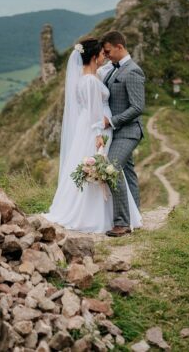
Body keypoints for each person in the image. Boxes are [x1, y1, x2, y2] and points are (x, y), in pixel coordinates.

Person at [44, 38, 142, 233]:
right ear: (94, 56)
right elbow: (93, 111)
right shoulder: (89, 80)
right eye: (101, 54)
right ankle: (104, 217)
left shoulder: (90, 76)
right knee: (107, 168)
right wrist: (98, 135)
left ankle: (125, 216)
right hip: (97, 128)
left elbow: (108, 73)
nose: (104, 56)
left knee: (118, 169)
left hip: (95, 126)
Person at [99, 31, 146, 237]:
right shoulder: (112, 70)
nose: (106, 55)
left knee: (111, 167)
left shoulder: (133, 71)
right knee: (128, 173)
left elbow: (137, 107)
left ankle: (122, 223)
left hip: (128, 131)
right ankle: (135, 216)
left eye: (108, 51)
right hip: (116, 133)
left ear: (119, 47)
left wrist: (112, 121)